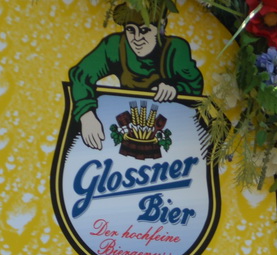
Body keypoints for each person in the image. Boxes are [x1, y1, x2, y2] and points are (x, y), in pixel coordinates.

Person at [70, 2, 205, 149]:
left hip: (170, 129)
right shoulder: (115, 46)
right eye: (130, 30)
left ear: (161, 26)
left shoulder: (175, 49)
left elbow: (195, 85)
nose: (137, 38)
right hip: (126, 122)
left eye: (145, 30)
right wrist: (86, 114)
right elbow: (81, 74)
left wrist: (175, 89)